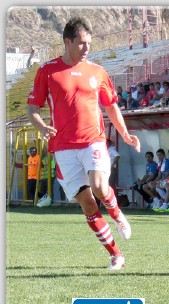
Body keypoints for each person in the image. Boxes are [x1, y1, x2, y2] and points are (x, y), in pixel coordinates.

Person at [27, 17, 141, 270]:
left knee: (100, 187)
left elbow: (111, 105)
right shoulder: (48, 71)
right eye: (81, 43)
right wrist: (40, 125)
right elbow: (32, 107)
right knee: (87, 203)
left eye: (89, 43)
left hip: (93, 141)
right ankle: (115, 254)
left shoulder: (97, 72)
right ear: (67, 42)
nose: (87, 48)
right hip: (63, 148)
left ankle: (117, 213)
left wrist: (124, 133)